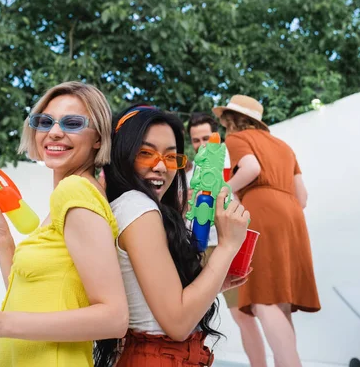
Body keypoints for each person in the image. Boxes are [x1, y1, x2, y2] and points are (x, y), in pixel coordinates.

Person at [0, 82, 129, 367]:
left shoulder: (74, 192)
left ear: (98, 138)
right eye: (44, 122)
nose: (54, 132)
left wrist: (0, 322)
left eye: (72, 123)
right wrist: (3, 241)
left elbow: (114, 318)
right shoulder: (68, 197)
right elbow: (33, 296)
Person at [98, 105, 250, 366]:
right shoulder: (137, 206)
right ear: (122, 154)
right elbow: (177, 323)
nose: (160, 166)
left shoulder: (130, 206)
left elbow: (151, 300)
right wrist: (227, 245)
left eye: (171, 157)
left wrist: (212, 284)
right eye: (145, 153)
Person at [212, 95, 321, 367]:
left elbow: (251, 168)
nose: (225, 128)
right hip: (293, 216)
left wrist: (225, 189)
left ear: (233, 121)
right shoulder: (284, 147)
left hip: (262, 210)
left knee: (262, 297)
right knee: (281, 299)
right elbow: (303, 197)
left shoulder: (237, 138)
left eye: (226, 123)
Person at [185, 112, 240, 311]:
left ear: (216, 137)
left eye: (206, 138)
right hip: (200, 248)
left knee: (241, 309)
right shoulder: (189, 174)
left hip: (229, 243)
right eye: (196, 140)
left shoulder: (230, 163)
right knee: (202, 309)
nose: (201, 144)